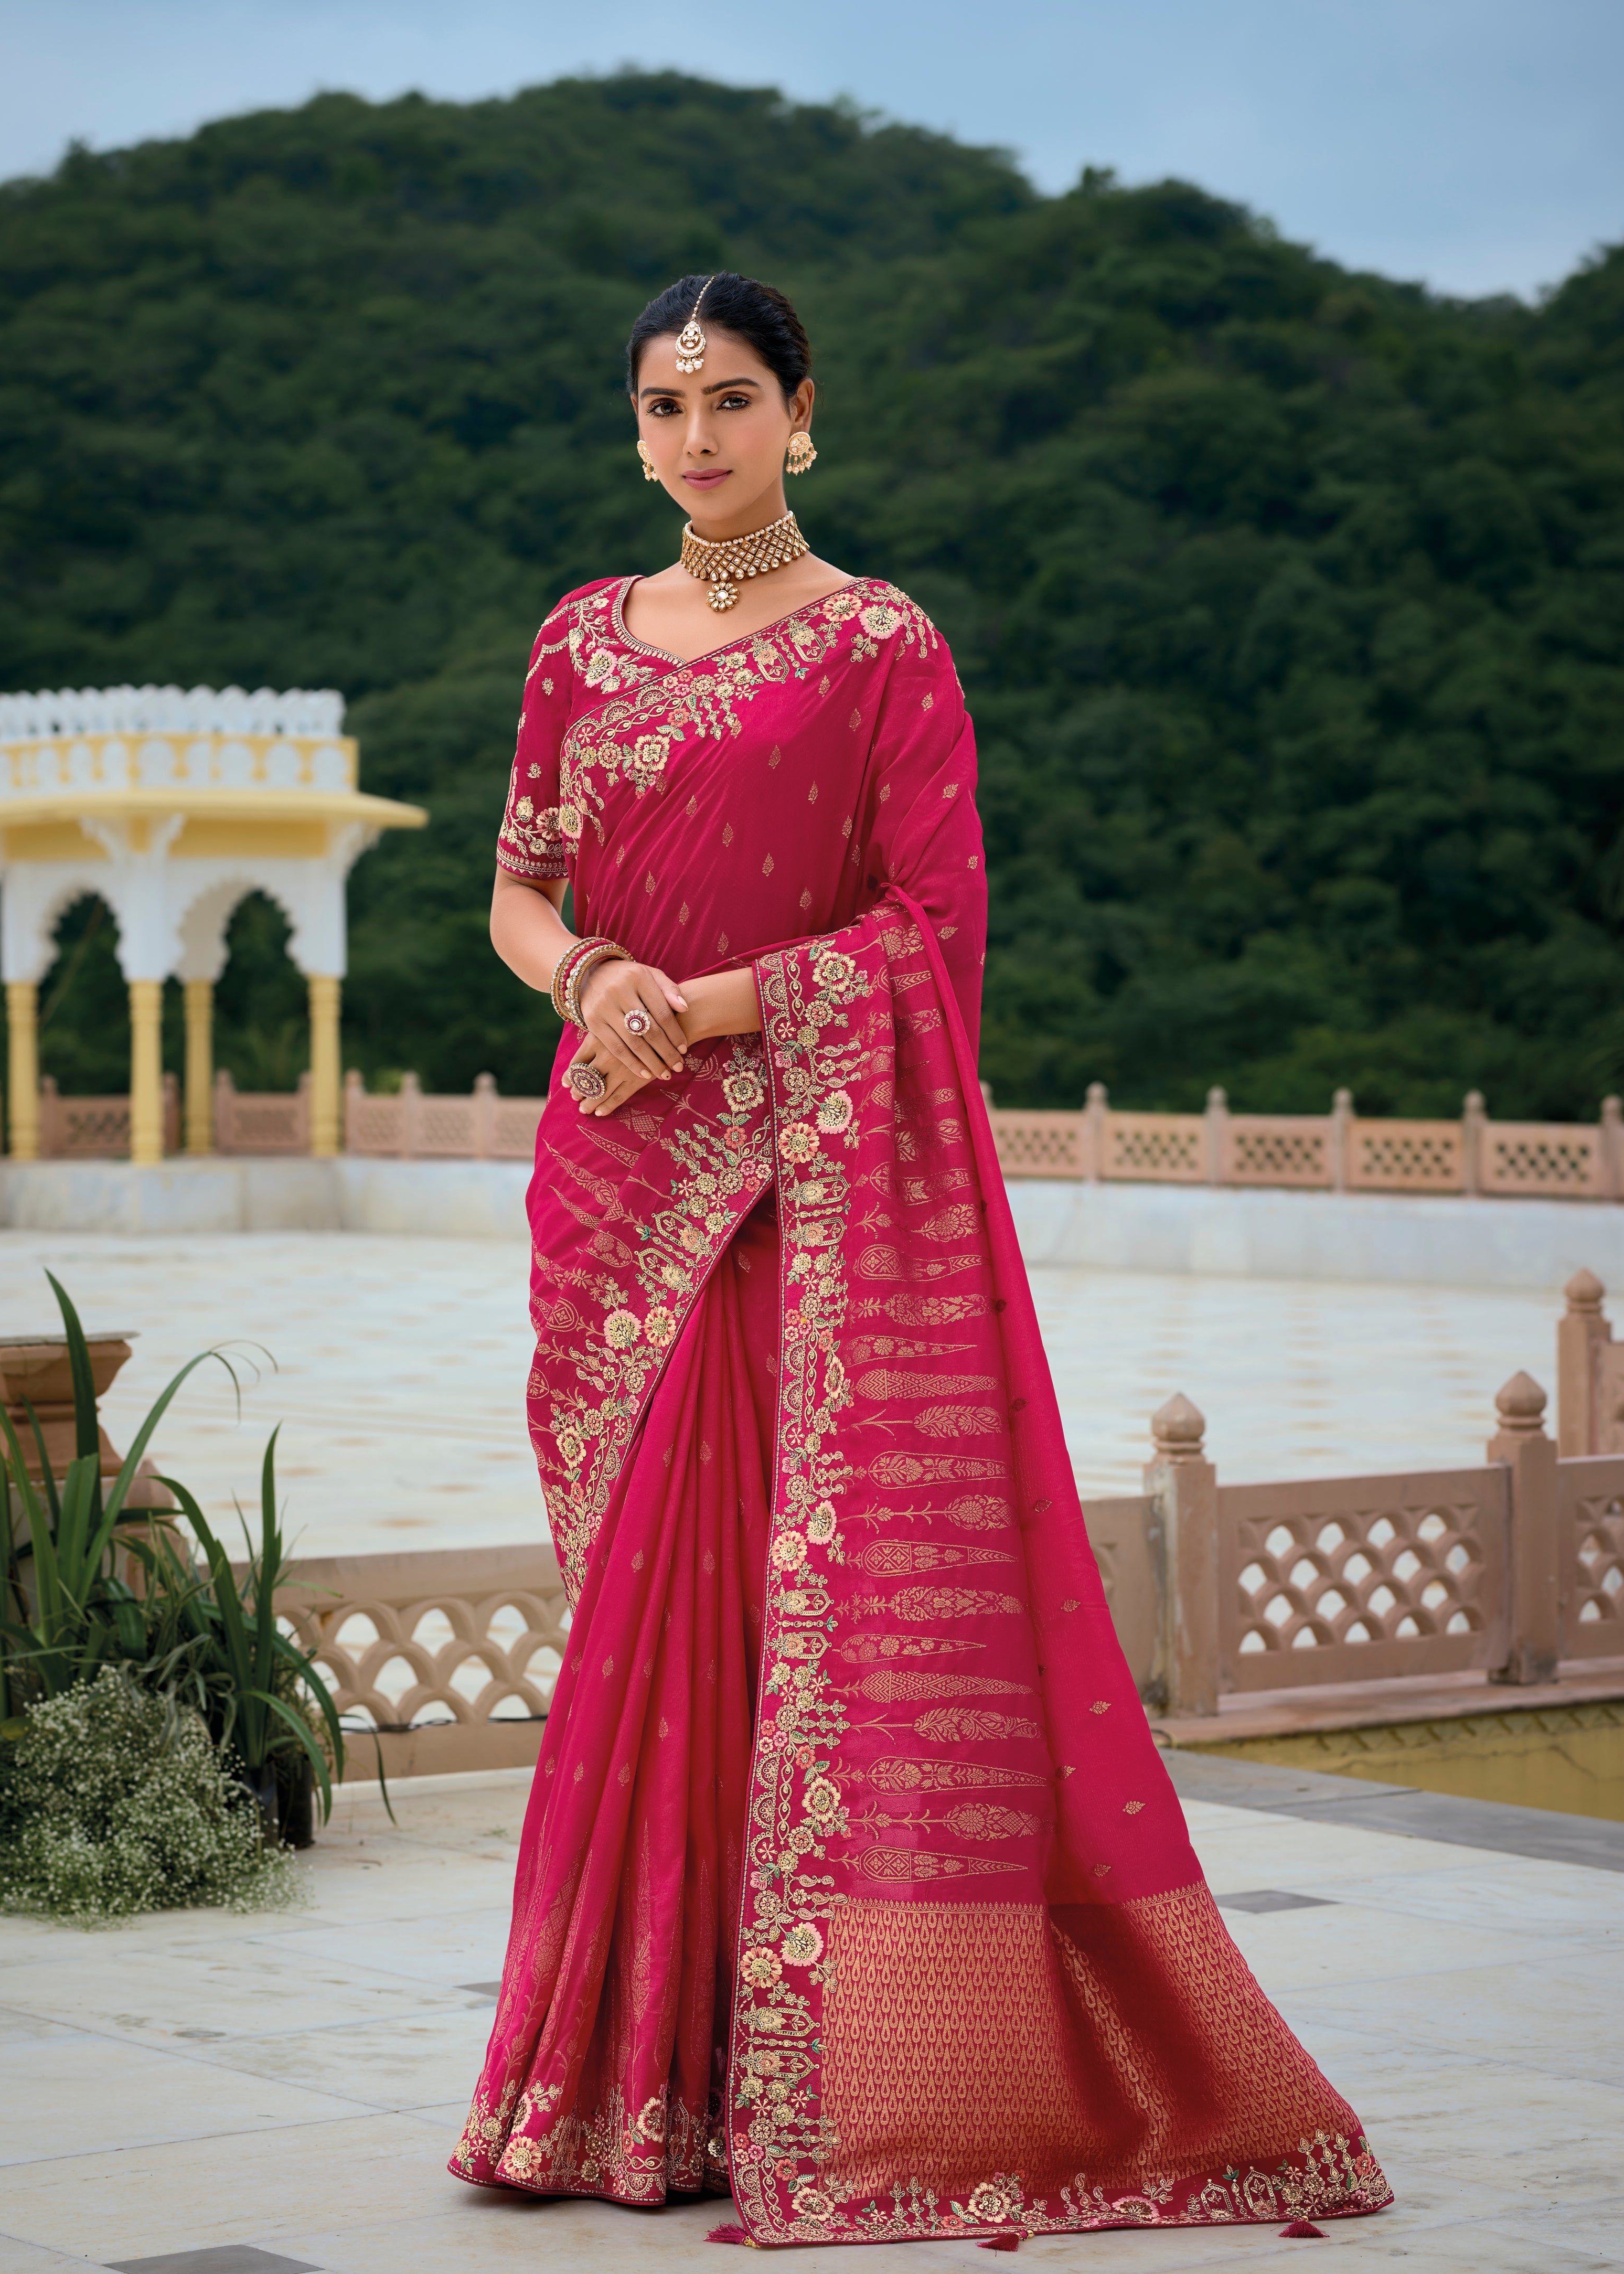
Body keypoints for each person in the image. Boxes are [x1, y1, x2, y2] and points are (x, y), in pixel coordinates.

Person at [450, 272, 1391, 2247]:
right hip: (616, 1190)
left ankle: (826, 2077)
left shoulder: (882, 645)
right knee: (649, 1630)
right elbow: (517, 888)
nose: (692, 436)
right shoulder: (574, 643)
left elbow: (924, 938)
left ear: (804, 415)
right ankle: (627, 2082)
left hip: (803, 1193)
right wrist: (595, 973)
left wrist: (704, 1009)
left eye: (729, 400)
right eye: (659, 405)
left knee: (818, 1638)